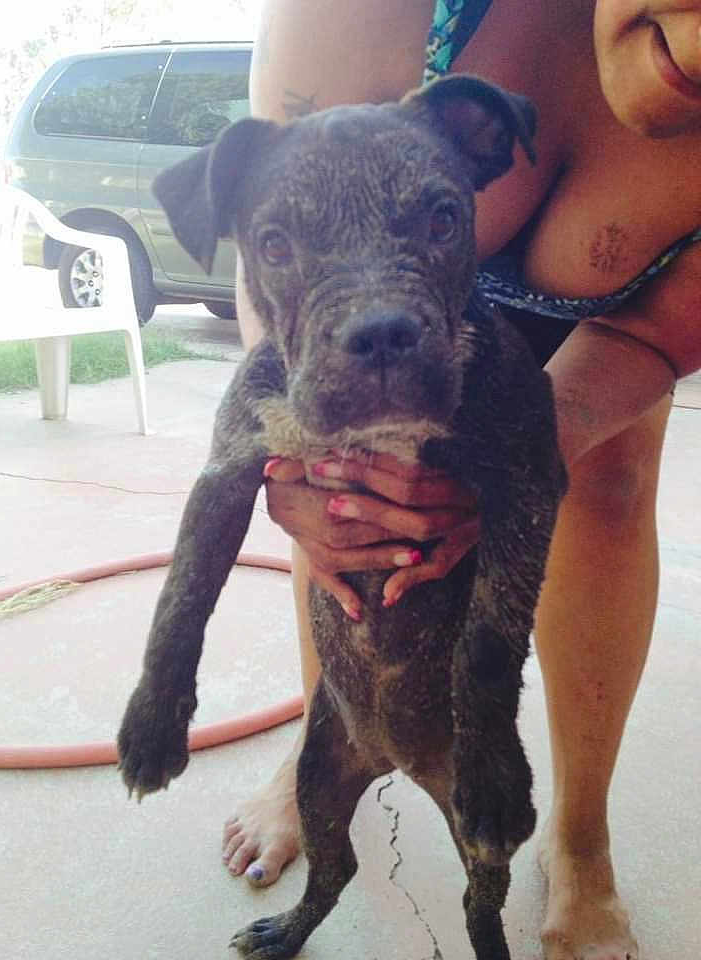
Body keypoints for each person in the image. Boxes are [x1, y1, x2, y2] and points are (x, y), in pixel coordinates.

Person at [221, 2, 701, 958]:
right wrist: (301, 454)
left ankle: (579, 839)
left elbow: (660, 326)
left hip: (605, 334)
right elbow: (274, 250)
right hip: (363, 323)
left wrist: (516, 464)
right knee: (354, 504)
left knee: (607, 494)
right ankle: (329, 744)